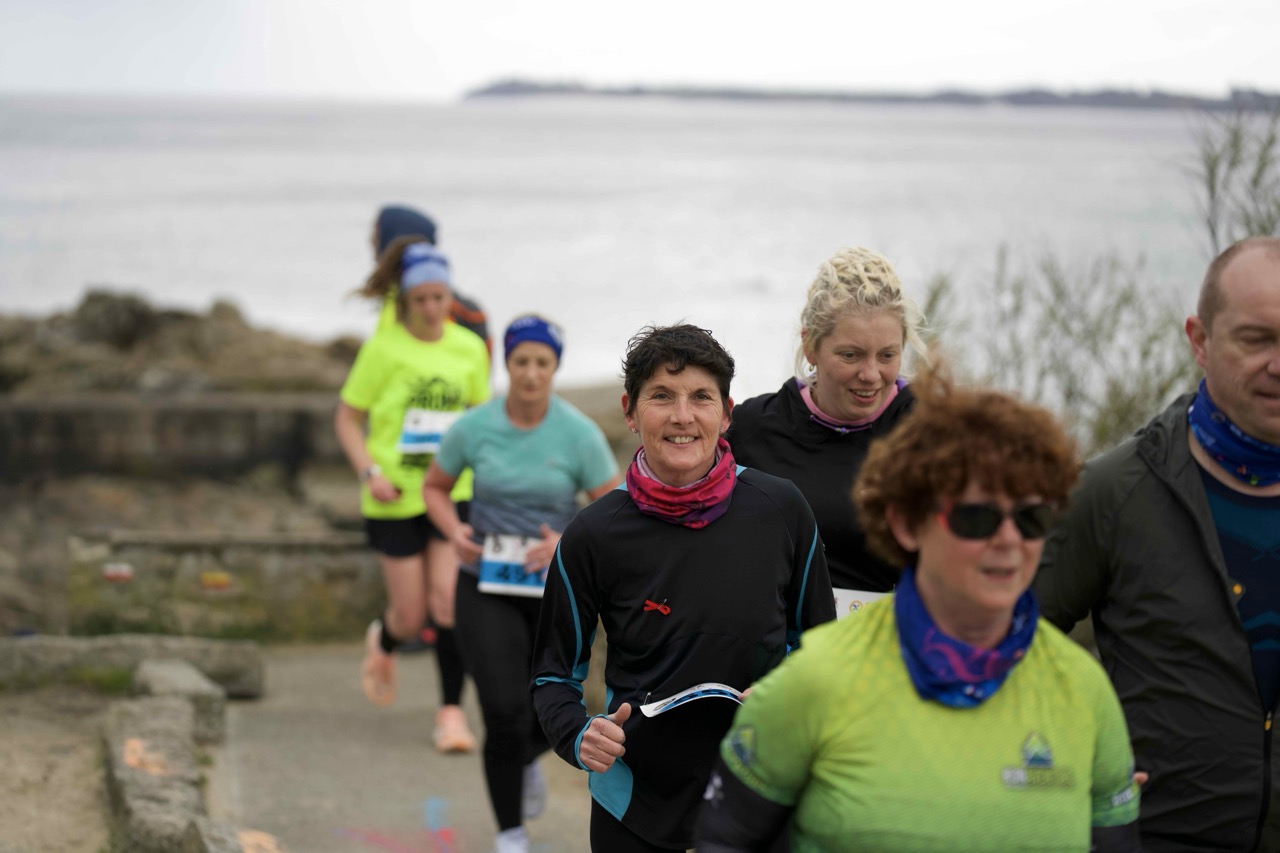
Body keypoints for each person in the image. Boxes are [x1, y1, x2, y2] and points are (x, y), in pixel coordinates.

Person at [697, 365, 1141, 852]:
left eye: (1031, 517)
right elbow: (726, 840)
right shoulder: (812, 681)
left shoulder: (1084, 689)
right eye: (977, 517)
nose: (1010, 540)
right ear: (907, 523)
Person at [531, 324, 836, 853]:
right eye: (661, 396)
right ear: (630, 411)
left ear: (727, 413)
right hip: (633, 798)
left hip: (761, 784)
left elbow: (823, 650)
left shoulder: (782, 510)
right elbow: (552, 676)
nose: (682, 416)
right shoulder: (593, 534)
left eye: (701, 397)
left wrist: (784, 691)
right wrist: (579, 735)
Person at [1033, 235, 1280, 851]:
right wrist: (1056, 772)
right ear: (1199, 340)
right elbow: (998, 646)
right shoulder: (1113, 492)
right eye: (1257, 339)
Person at [422, 315, 621, 853]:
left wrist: (565, 540)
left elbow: (614, 508)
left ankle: (529, 755)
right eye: (521, 361)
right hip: (484, 587)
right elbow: (435, 487)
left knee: (544, 708)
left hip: (554, 593)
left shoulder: (578, 433)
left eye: (542, 363)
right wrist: (453, 529)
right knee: (501, 711)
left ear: (555, 367)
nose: (531, 373)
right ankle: (510, 833)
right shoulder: (474, 427)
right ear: (506, 364)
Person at [334, 239, 488, 752]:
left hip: (450, 493)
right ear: (405, 300)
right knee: (411, 615)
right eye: (420, 299)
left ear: (450, 297)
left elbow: (479, 421)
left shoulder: (469, 349)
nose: (430, 308)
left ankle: (450, 716)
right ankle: (384, 638)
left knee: (448, 604)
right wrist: (369, 473)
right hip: (394, 496)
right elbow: (347, 418)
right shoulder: (383, 350)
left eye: (438, 297)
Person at [726, 247, 924, 617]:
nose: (871, 374)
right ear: (810, 346)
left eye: (887, 355)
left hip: (894, 642)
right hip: (778, 645)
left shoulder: (932, 430)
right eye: (850, 355)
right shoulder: (751, 429)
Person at [372, 204, 491, 350]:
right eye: (419, 300)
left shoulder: (465, 312)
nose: (430, 308)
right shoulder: (392, 296)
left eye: (377, 237)